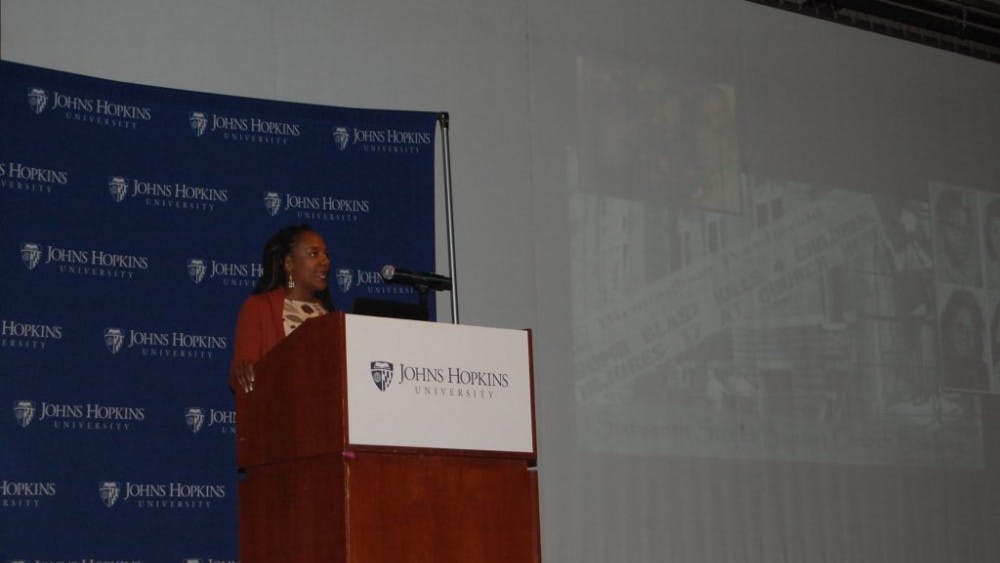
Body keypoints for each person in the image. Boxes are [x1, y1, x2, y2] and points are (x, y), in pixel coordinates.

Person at [230, 224, 333, 392]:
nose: (326, 261)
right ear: (289, 263)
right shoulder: (259, 307)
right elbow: (241, 375)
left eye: (326, 254)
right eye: (314, 254)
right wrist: (245, 373)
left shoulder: (329, 315)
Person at [939, 288, 988, 391]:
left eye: (972, 329)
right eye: (960, 327)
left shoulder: (984, 374)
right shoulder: (940, 368)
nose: (966, 336)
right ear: (947, 328)